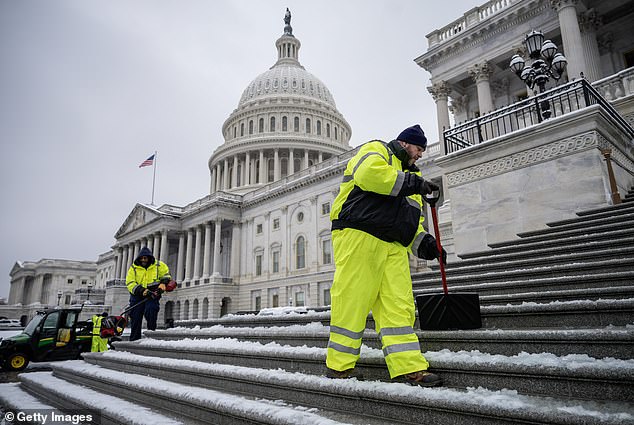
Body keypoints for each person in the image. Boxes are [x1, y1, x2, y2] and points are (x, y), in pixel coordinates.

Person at [326, 124, 446, 387]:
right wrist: (414, 183)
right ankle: (338, 367)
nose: (421, 155)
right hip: (360, 234)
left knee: (399, 308)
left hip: (394, 246)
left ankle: (409, 367)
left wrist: (427, 244)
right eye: (419, 148)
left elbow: (411, 223)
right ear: (405, 143)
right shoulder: (377, 150)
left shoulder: (413, 177)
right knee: (352, 301)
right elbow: (370, 175)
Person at [125, 247, 171, 341]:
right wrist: (142, 291)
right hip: (137, 295)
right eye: (142, 258)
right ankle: (134, 339)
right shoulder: (133, 268)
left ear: (149, 258)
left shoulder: (159, 265)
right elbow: (130, 283)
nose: (143, 260)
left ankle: (151, 334)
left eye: (145, 258)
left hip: (153, 293)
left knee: (151, 310)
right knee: (136, 316)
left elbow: (166, 274)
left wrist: (163, 283)